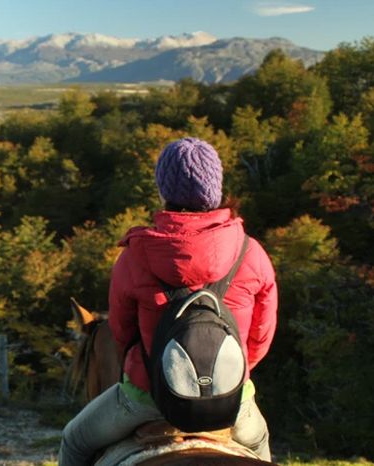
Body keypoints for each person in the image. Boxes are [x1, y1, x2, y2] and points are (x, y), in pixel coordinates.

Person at [58, 137, 278, 465]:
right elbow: (261, 335)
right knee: (259, 441)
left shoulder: (136, 255)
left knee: (74, 440)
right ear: (216, 188)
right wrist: (230, 378)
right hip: (231, 400)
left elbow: (122, 334)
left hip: (148, 397)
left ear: (164, 191)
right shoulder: (251, 252)